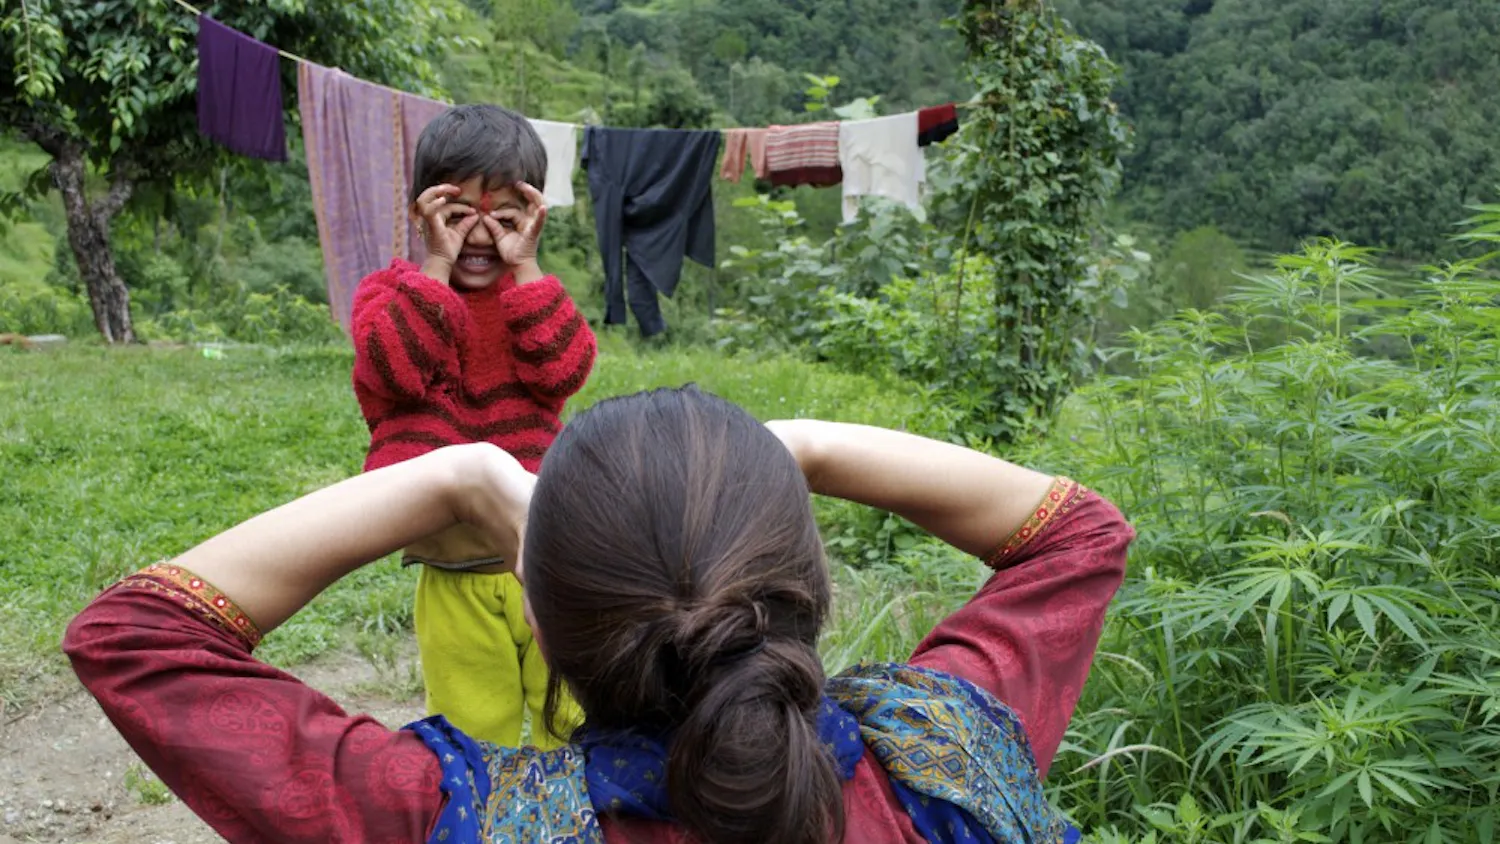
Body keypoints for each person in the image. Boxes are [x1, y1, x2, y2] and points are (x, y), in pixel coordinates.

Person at [64, 387, 1133, 843]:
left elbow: (134, 633)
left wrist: (456, 475)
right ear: (811, 584)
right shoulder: (942, 752)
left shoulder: (444, 817)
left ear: (536, 618)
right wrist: (792, 446)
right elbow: (1077, 532)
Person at [349, 104, 596, 748]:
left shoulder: (531, 297)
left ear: (532, 218)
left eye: (505, 217)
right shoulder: (389, 294)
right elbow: (396, 371)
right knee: (470, 726)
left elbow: (566, 369)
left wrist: (528, 269)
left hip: (548, 562)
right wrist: (435, 268)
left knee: (569, 719)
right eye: (458, 217)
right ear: (421, 215)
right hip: (452, 571)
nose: (481, 236)